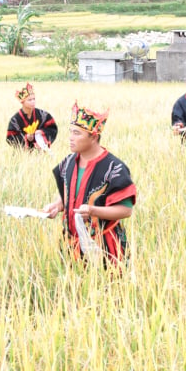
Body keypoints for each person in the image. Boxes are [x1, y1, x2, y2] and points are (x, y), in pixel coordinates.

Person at [42, 102, 136, 266]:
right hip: (71, 246)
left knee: (107, 289)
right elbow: (67, 190)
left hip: (105, 248)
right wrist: (57, 206)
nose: (71, 138)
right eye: (70, 132)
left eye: (77, 133)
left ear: (93, 137)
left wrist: (93, 211)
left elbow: (126, 210)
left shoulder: (114, 168)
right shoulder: (69, 162)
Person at [6, 82, 58, 150]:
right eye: (29, 100)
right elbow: (10, 138)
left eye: (34, 99)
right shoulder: (15, 120)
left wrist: (41, 133)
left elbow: (52, 128)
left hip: (41, 152)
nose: (33, 102)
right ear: (22, 102)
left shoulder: (43, 115)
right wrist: (26, 137)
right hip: (22, 154)